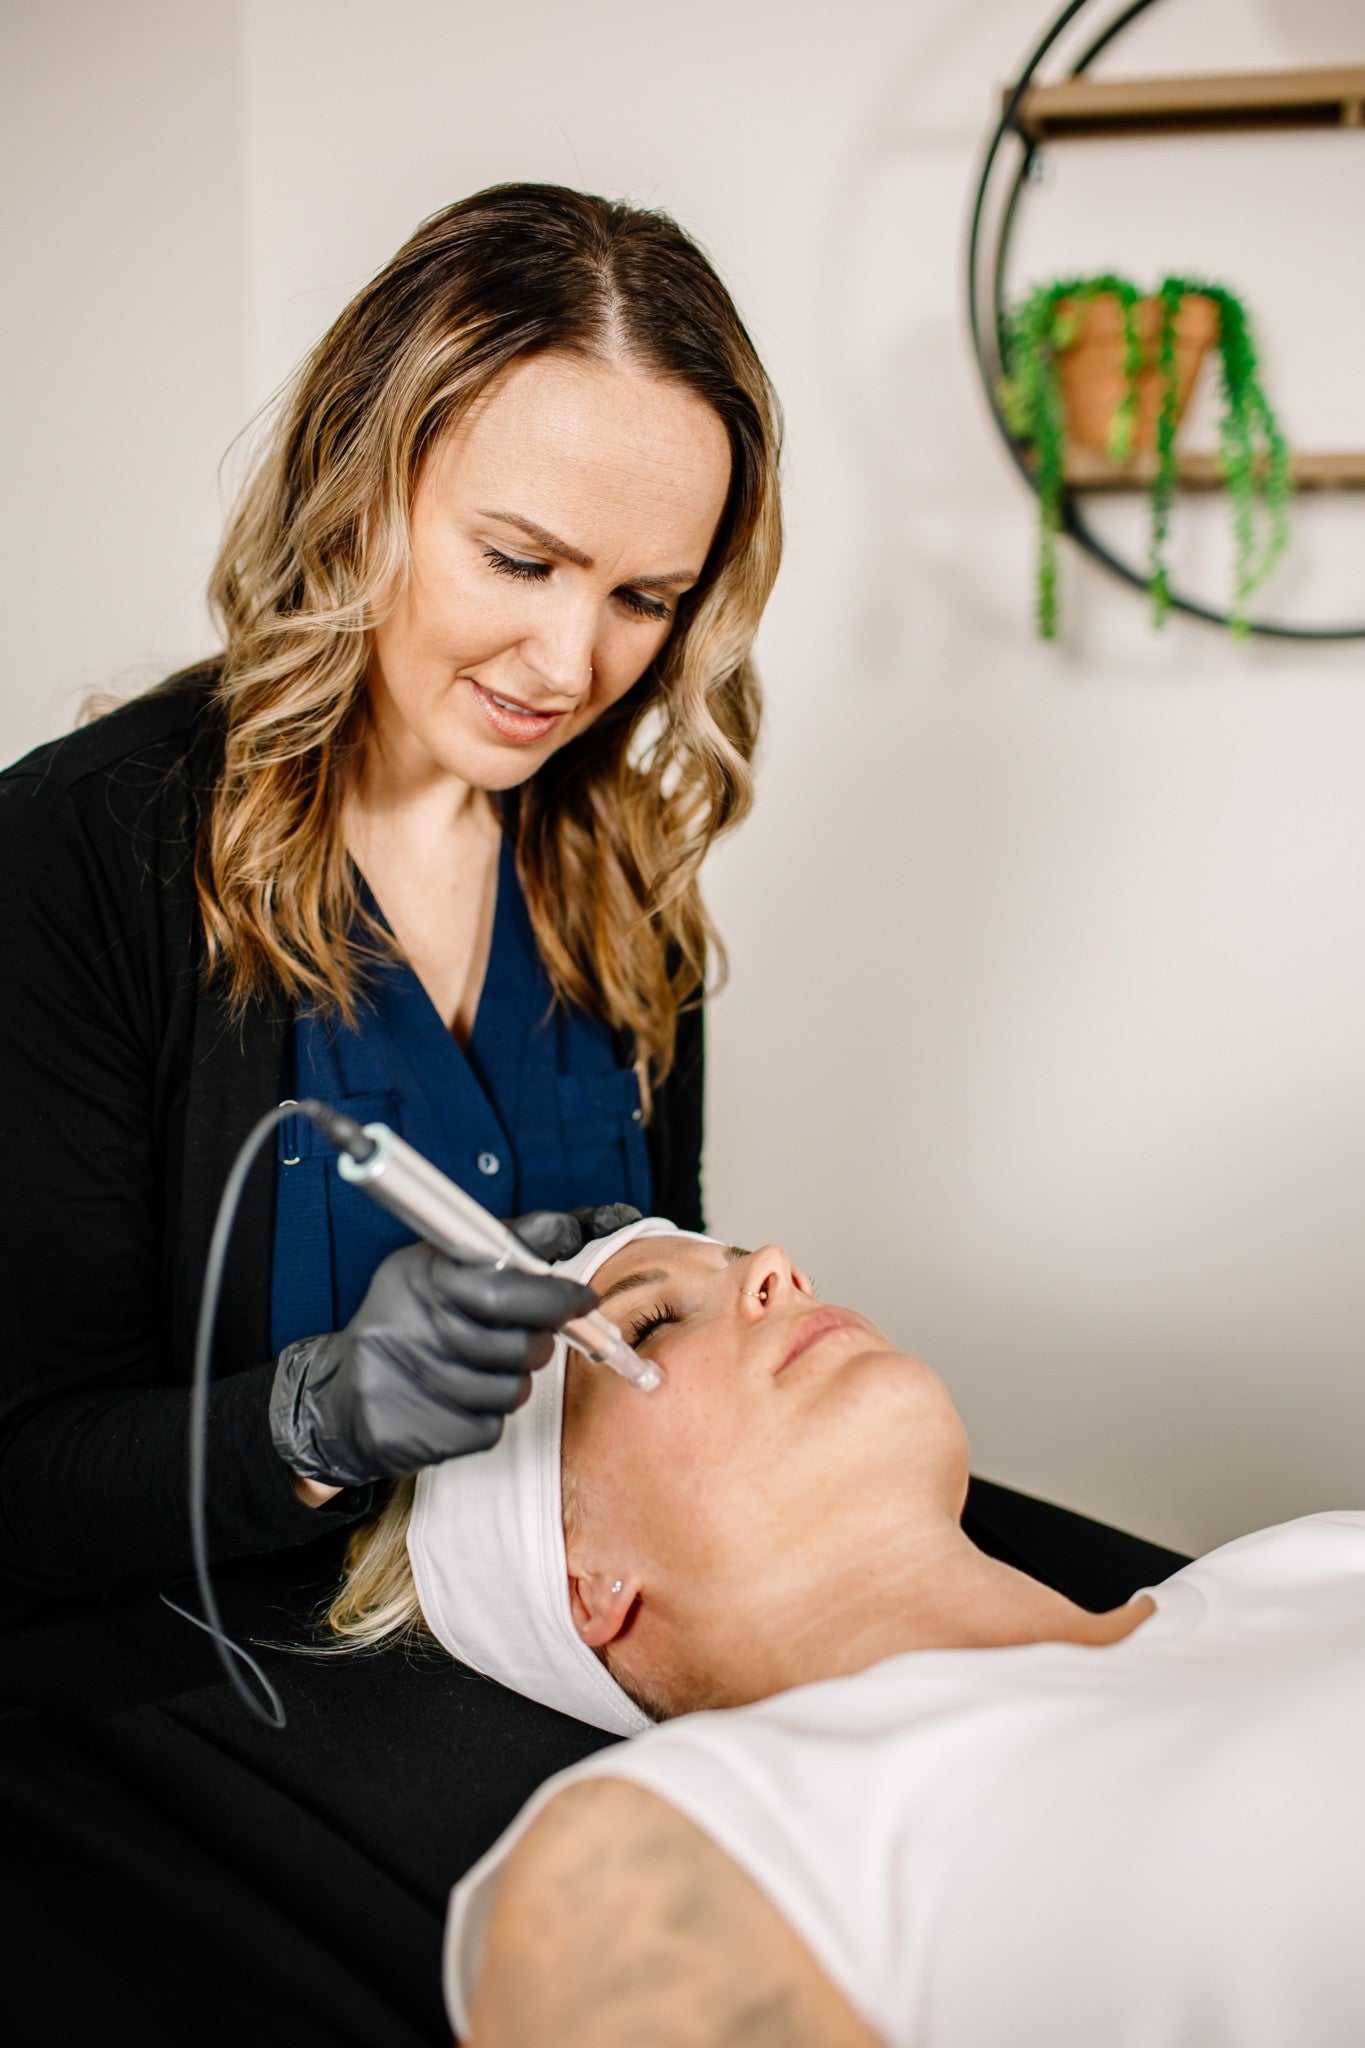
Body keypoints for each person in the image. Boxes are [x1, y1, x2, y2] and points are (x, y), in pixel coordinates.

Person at [0, 183, 779, 2046]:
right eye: (521, 557)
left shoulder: (623, 891)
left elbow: (646, 1296)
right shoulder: (87, 860)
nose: (574, 665)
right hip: (185, 1699)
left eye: (645, 597)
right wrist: (307, 1417)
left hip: (545, 1651)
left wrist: (684, 1298)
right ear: (364, 490)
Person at [334, 1220, 1365, 2047]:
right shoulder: (680, 1849)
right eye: (650, 1324)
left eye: (750, 1260)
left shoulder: (1318, 1558)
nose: (781, 1267)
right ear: (586, 1582)